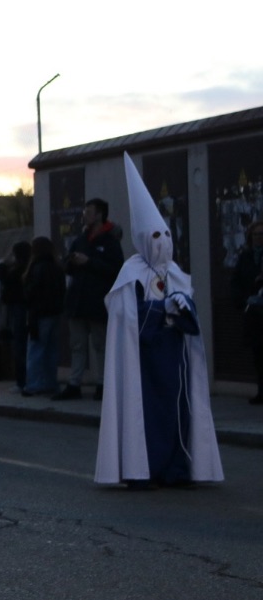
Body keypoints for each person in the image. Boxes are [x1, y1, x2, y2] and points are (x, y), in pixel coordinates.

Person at [96, 153, 223, 488]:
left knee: (178, 411)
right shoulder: (130, 274)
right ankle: (145, 469)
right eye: (155, 236)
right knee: (147, 413)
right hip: (143, 361)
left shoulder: (175, 272)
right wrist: (160, 310)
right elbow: (126, 318)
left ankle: (176, 469)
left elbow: (190, 318)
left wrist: (183, 305)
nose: (163, 242)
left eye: (166, 234)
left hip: (174, 356)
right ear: (142, 238)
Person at [56, 197, 123, 401]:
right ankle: (74, 384)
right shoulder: (80, 239)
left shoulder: (110, 241)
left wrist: (89, 262)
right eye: (84, 212)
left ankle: (103, 384)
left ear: (100, 214)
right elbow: (68, 266)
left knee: (100, 345)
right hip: (77, 301)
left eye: (89, 212)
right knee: (77, 345)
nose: (84, 215)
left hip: (98, 302)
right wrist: (70, 262)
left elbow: (116, 269)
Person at [22, 237, 66, 397]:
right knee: (51, 350)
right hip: (55, 312)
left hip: (39, 313)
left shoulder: (36, 267)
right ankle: (50, 383)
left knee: (36, 349)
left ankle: (33, 384)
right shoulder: (57, 267)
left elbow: (31, 292)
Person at [230, 220, 263, 405]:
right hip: (254, 313)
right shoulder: (246, 257)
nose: (259, 238)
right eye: (256, 234)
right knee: (258, 354)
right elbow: (237, 282)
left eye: (261, 234)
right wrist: (244, 300)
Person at [0, 240, 31, 390]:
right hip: (21, 308)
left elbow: (5, 279)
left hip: (19, 308)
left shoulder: (18, 270)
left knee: (19, 345)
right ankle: (23, 379)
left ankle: (22, 381)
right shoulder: (26, 267)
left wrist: (3, 263)